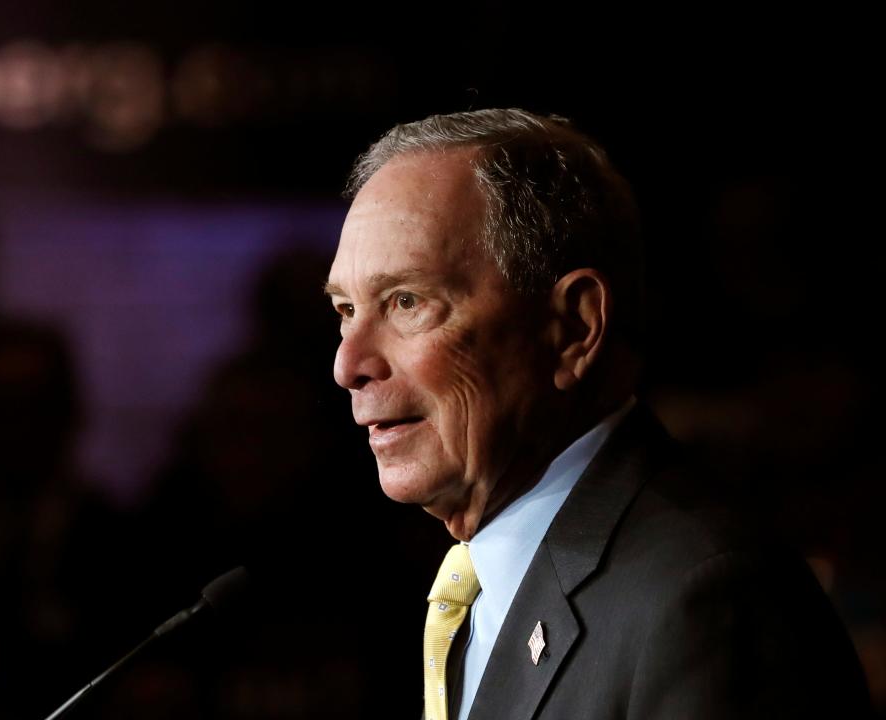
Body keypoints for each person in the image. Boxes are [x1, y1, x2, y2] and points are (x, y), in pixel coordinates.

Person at [324, 109, 871, 720]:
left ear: (574, 328)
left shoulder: (706, 600)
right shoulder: (479, 587)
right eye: (346, 310)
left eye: (406, 301)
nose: (349, 365)